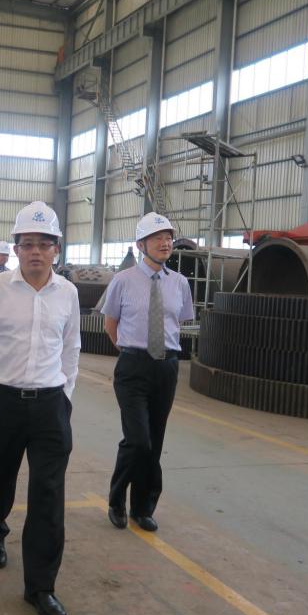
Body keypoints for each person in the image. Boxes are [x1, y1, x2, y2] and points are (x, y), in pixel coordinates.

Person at [0, 201, 80, 615]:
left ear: (56, 249)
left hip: (50, 405)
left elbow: (71, 347)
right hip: (3, 401)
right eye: (27, 244)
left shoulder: (67, 293)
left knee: (48, 493)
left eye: (44, 244)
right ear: (15, 250)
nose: (35, 251)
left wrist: (65, 396)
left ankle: (41, 587)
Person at [100, 212, 193, 532]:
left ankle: (142, 507)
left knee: (154, 439)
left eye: (168, 237)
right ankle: (116, 500)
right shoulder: (123, 280)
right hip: (133, 366)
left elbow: (178, 321)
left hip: (166, 367)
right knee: (138, 440)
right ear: (141, 245)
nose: (165, 243)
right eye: (157, 238)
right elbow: (110, 323)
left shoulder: (180, 283)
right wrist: (130, 351)